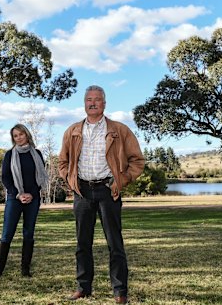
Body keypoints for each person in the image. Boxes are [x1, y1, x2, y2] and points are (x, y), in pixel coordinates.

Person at [59, 85, 145, 304]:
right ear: (84, 103)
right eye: (89, 99)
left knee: (115, 243)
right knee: (82, 244)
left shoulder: (119, 130)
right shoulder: (73, 131)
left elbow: (137, 161)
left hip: (108, 191)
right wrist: (71, 181)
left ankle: (119, 291)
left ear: (104, 104)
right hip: (82, 192)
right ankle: (83, 287)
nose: (93, 103)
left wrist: (121, 180)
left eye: (97, 99)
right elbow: (63, 162)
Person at [0, 124, 48, 277]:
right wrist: (18, 194)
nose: (19, 138)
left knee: (28, 233)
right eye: (15, 136)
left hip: (33, 198)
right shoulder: (10, 155)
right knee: (7, 233)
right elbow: (5, 178)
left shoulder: (36, 153)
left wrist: (32, 194)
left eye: (21, 134)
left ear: (27, 134)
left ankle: (25, 270)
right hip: (14, 199)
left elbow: (40, 177)